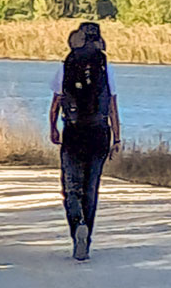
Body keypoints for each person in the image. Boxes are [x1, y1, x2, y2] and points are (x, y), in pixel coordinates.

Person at [49, 22, 121, 261]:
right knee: (91, 189)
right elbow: (112, 105)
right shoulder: (105, 66)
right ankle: (86, 239)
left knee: (71, 188)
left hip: (73, 132)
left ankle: (77, 223)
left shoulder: (66, 64)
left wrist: (53, 129)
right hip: (100, 132)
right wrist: (117, 138)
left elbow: (55, 104)